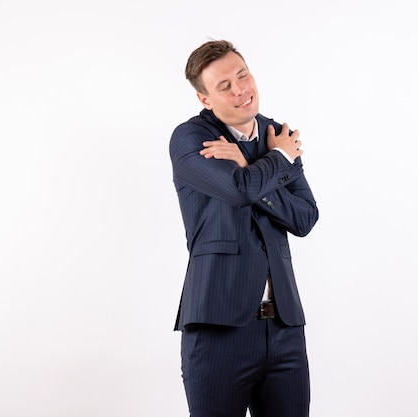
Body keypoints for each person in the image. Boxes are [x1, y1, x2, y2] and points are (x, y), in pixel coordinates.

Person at [169, 39, 319, 417]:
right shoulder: (190, 139)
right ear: (205, 99)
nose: (241, 91)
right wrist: (277, 159)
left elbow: (304, 218)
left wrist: (252, 166)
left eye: (243, 75)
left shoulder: (275, 133)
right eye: (225, 86)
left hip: (284, 328)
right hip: (218, 326)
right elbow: (238, 191)